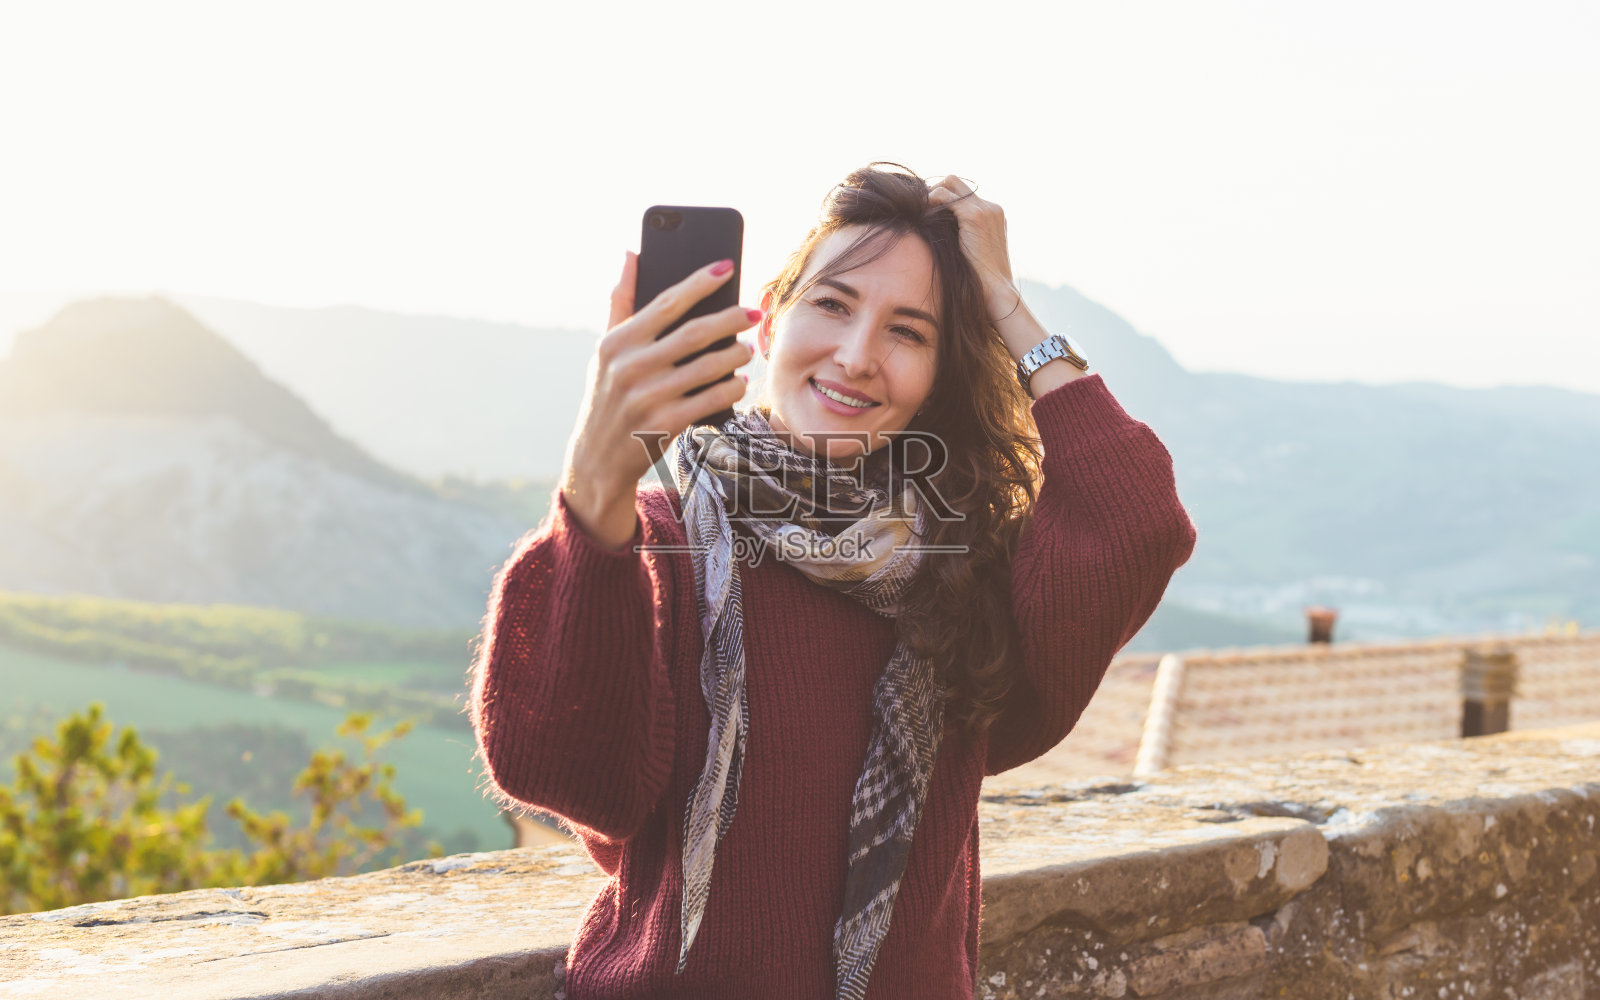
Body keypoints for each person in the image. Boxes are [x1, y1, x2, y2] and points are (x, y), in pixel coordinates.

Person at [468, 163, 1197, 1000]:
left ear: (939, 375)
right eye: (834, 305)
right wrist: (592, 491)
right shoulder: (652, 545)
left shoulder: (960, 573)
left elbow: (1138, 520)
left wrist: (1005, 301)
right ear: (768, 323)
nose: (856, 357)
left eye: (908, 332)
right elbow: (569, 776)